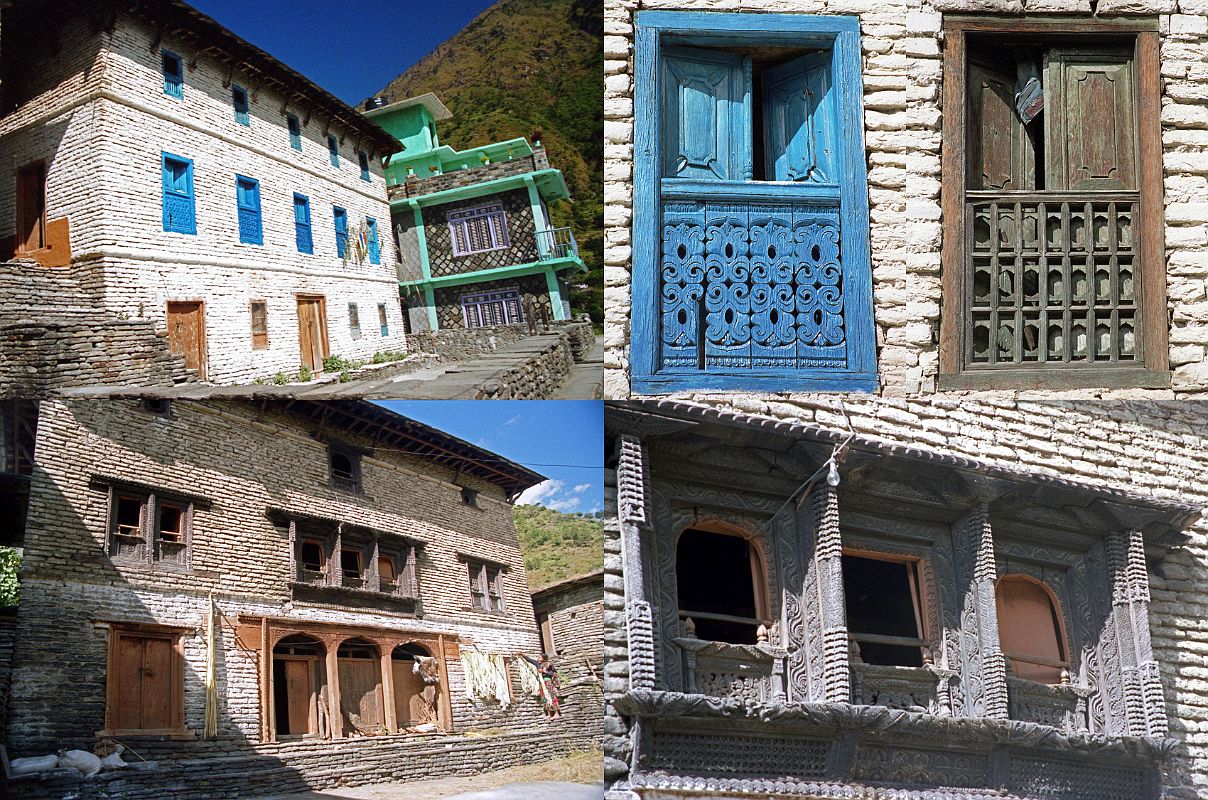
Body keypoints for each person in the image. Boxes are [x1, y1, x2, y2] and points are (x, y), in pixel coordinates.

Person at [522, 653, 562, 718]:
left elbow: (554, 673)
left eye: (540, 657)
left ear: (544, 659)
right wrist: (522, 655)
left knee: (552, 696)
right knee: (544, 698)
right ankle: (549, 714)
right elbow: (530, 660)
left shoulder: (549, 664)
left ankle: (557, 713)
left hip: (548, 681)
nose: (538, 658)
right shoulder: (537, 664)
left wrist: (544, 672)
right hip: (541, 682)